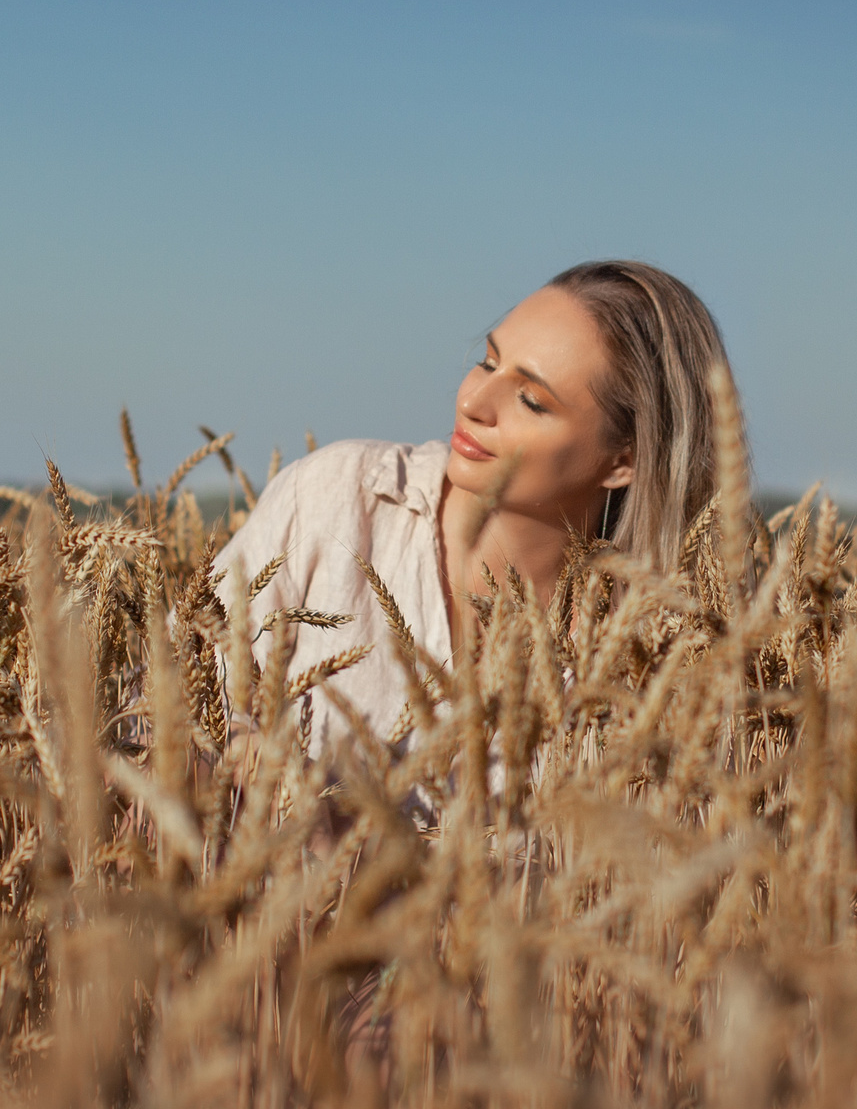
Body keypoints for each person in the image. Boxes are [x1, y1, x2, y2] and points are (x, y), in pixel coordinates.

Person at [211, 259, 738, 754]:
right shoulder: (340, 497)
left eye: (531, 400)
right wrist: (251, 772)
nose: (472, 403)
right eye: (489, 362)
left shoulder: (654, 658)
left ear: (624, 461)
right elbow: (178, 703)